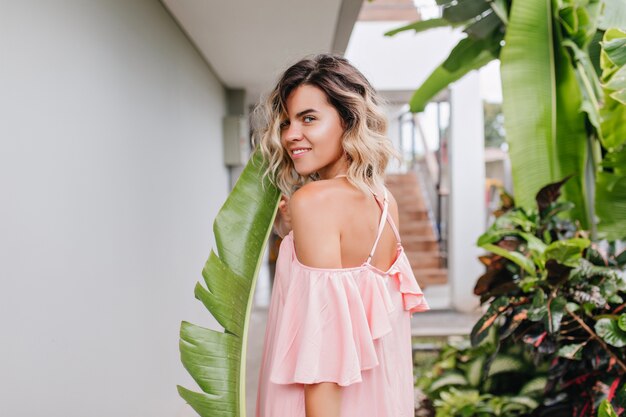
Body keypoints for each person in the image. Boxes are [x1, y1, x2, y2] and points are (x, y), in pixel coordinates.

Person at [253, 54, 430, 417]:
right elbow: (355, 290)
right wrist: (291, 233)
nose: (290, 135)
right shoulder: (384, 201)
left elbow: (324, 364)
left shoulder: (313, 202)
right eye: (286, 122)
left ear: (348, 120)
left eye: (309, 119)